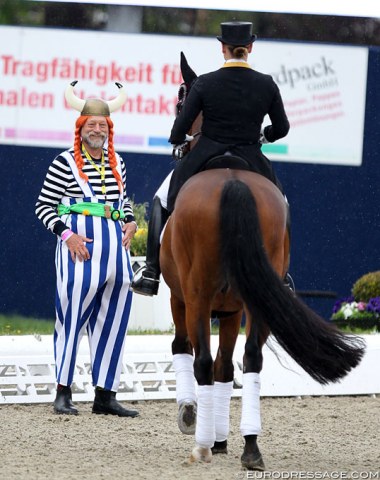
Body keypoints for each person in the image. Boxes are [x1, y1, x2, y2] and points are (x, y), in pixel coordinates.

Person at [131, 21, 291, 297]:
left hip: (206, 153)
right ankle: (283, 277)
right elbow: (282, 128)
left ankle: (151, 272)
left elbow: (178, 130)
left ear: (223, 49)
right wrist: (264, 135)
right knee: (282, 204)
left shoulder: (205, 82)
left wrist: (183, 139)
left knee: (162, 199)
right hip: (251, 156)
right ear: (250, 48)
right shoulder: (266, 84)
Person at [35, 81, 139, 417]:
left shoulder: (117, 163)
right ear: (80, 128)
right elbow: (44, 206)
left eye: (103, 125)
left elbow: (121, 204)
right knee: (71, 318)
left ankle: (105, 395)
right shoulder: (64, 162)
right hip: (79, 252)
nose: (97, 129)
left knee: (114, 320)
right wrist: (68, 236)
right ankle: (63, 392)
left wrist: (131, 221)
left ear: (110, 129)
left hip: (116, 255)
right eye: (91, 124)